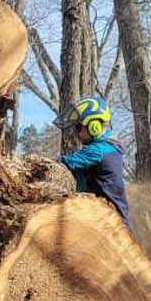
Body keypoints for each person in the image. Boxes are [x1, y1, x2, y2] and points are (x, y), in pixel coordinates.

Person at [55, 95, 131, 230]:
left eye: (78, 127)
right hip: (106, 220)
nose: (75, 133)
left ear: (94, 126)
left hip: (110, 225)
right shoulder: (110, 147)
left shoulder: (98, 150)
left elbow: (65, 163)